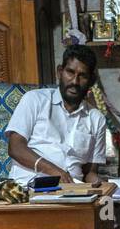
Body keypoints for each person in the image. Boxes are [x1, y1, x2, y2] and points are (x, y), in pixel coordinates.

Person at [6, 46, 109, 189]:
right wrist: (54, 171)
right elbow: (15, 148)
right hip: (27, 188)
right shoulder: (34, 100)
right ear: (60, 72)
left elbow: (89, 172)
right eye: (70, 72)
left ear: (91, 80)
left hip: (73, 192)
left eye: (83, 76)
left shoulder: (96, 119)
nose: (75, 81)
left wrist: (100, 183)